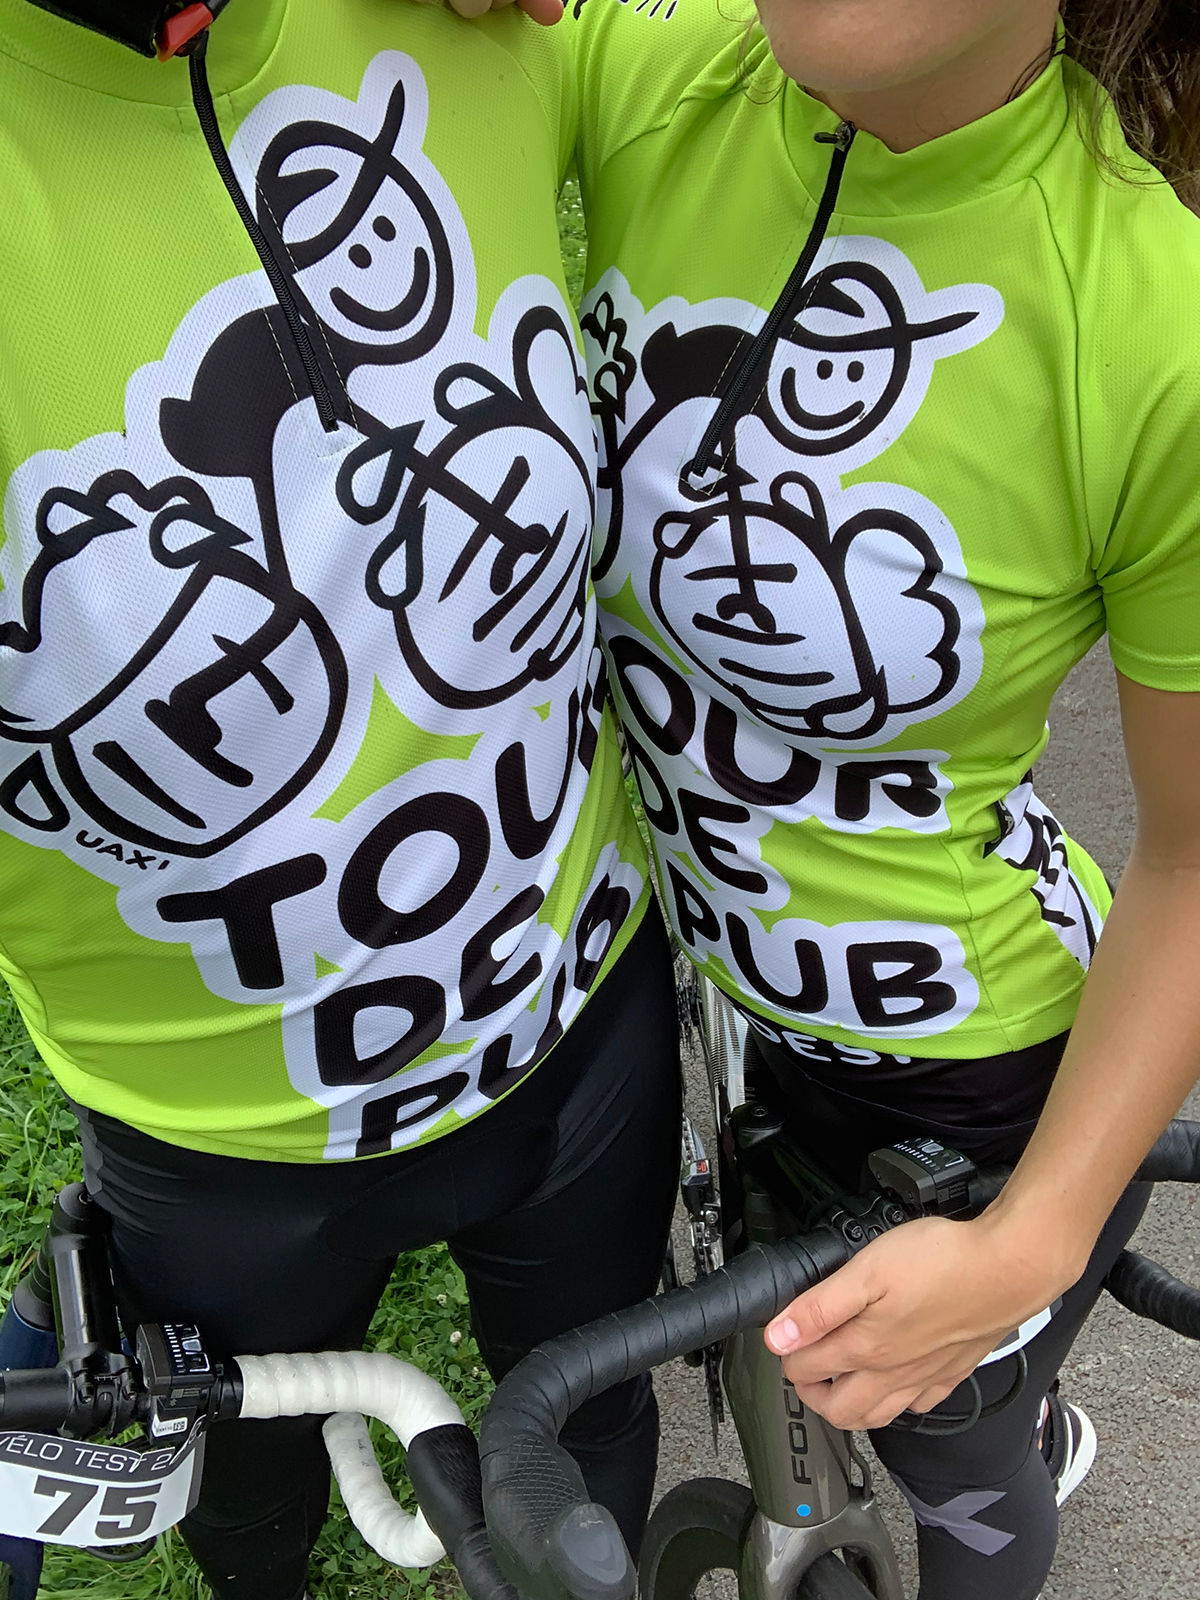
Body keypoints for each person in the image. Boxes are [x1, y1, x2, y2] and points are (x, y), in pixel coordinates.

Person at [0, 0, 681, 1595]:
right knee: (250, 1509)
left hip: (578, 1023)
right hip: (218, 1145)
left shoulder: (475, 30)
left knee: (593, 1441)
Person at [556, 0, 1200, 1594]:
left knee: (957, 1461)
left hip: (978, 1082)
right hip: (718, 988)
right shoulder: (654, 69)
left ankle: (1015, 1419)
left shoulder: (1156, 307)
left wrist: (1029, 1242)